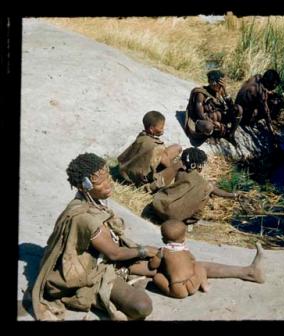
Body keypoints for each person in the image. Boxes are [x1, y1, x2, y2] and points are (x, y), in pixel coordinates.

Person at [32, 153, 159, 321]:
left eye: (108, 178)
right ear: (84, 185)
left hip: (106, 259)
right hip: (92, 272)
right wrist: (143, 250)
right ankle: (103, 296)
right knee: (142, 306)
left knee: (161, 261)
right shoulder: (85, 218)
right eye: (101, 183)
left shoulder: (94, 203)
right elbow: (114, 254)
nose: (109, 185)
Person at [149, 219, 265, 298]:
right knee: (197, 266)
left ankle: (250, 272)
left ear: (164, 240)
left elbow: (152, 266)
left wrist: (165, 261)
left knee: (157, 277)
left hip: (179, 289)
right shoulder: (185, 249)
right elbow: (193, 260)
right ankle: (204, 284)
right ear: (184, 238)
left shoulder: (163, 251)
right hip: (192, 283)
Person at [152, 147, 239, 225]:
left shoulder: (180, 171)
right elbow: (218, 192)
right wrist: (233, 195)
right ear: (199, 166)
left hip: (159, 207)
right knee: (207, 194)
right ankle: (193, 219)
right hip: (174, 219)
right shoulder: (205, 183)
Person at [118, 110, 183, 193]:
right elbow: (164, 160)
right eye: (161, 127)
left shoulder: (142, 136)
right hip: (140, 179)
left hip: (126, 172)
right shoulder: (156, 146)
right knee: (175, 155)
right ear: (152, 129)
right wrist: (173, 168)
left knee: (176, 148)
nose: (163, 130)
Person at [184, 70, 242, 146]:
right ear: (210, 82)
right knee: (208, 127)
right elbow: (200, 115)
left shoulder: (220, 91)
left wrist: (225, 91)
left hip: (220, 120)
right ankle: (210, 135)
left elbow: (231, 107)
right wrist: (215, 124)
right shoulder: (201, 93)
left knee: (238, 109)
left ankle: (230, 134)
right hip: (204, 122)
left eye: (221, 83)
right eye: (217, 83)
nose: (218, 85)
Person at [234, 69, 284, 140]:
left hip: (238, 107)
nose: (274, 87)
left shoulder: (256, 77)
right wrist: (272, 131)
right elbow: (266, 112)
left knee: (270, 98)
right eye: (274, 85)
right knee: (274, 102)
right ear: (269, 83)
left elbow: (258, 91)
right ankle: (252, 121)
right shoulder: (260, 93)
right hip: (243, 118)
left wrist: (267, 93)